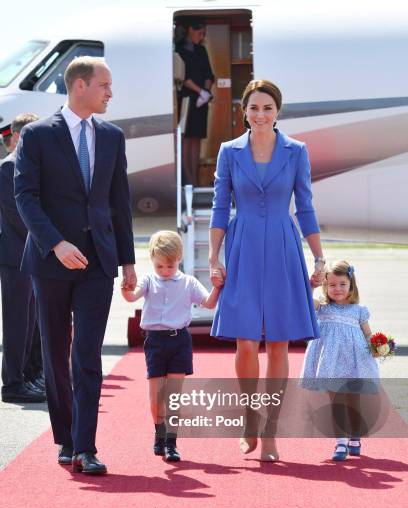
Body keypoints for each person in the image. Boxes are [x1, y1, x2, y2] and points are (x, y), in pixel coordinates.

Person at [15, 56, 136, 475]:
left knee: (87, 354)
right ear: (80, 85)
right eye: (104, 85)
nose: (110, 93)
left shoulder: (113, 136)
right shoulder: (36, 135)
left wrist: (128, 261)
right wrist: (56, 243)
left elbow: (119, 203)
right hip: (50, 262)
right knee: (55, 352)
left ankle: (86, 446)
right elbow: (25, 197)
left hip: (98, 262)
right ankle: (65, 439)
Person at [209, 79, 325, 461]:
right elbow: (220, 207)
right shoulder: (229, 152)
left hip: (282, 246)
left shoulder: (296, 151)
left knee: (277, 342)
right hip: (242, 247)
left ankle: (271, 430)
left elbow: (305, 206)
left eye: (267, 109)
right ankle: (248, 416)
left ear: (278, 112)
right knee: (244, 341)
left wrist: (319, 258)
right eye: (254, 108)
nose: (260, 115)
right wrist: (214, 258)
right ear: (244, 110)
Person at [122, 230, 221, 462]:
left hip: (179, 341)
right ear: (152, 260)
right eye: (160, 267)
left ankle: (171, 443)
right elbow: (132, 297)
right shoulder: (148, 280)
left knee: (174, 396)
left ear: (179, 260)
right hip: (155, 341)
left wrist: (217, 287)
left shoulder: (188, 282)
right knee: (157, 397)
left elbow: (207, 303)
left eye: (170, 266)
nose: (165, 272)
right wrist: (126, 289)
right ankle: (159, 433)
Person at [300, 260, 379, 460]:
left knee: (353, 401)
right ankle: (340, 442)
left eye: (342, 284)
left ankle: (355, 437)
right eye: (332, 285)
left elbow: (368, 334)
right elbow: (306, 300)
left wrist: (378, 346)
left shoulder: (359, 310)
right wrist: (313, 284)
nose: (337, 289)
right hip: (330, 363)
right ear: (326, 287)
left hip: (355, 361)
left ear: (351, 285)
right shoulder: (322, 308)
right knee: (336, 401)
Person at [0, 113, 46, 403]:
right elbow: (17, 216)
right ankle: (12, 383)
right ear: (18, 136)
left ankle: (26, 376)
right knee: (18, 322)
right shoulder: (8, 167)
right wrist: (48, 239)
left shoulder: (28, 165)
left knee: (30, 321)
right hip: (16, 255)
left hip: (30, 254)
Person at [176, 18, 214, 186]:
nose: (202, 36)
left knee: (196, 138)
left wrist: (205, 93)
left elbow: (209, 74)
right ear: (191, 29)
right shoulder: (179, 49)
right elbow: (183, 77)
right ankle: (187, 178)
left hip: (201, 100)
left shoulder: (201, 50)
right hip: (186, 99)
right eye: (200, 33)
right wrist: (200, 92)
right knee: (185, 139)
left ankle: (195, 178)